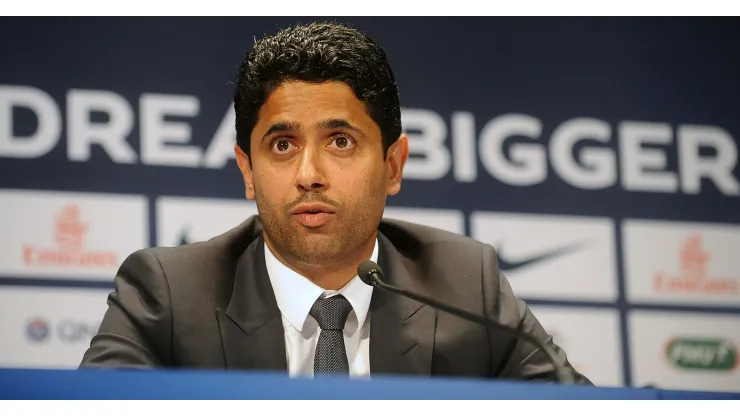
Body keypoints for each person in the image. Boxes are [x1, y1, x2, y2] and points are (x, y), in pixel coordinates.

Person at [79, 21, 591, 385]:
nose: (309, 175)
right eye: (282, 145)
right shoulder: (171, 293)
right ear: (248, 172)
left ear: (393, 166)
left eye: (340, 141)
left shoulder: (462, 284)